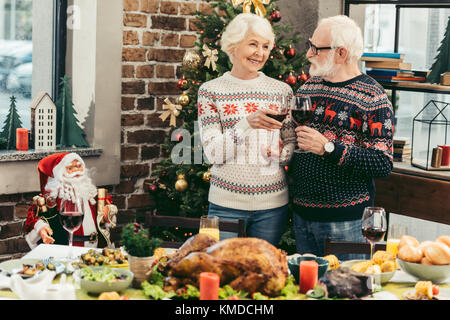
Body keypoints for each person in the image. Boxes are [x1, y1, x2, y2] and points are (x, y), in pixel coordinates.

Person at [290, 15, 394, 260]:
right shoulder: (308, 88)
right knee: (306, 294)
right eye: (309, 46)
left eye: (316, 49)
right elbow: (292, 138)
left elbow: (382, 163)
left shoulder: (373, 98)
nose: (308, 55)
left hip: (344, 224)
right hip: (302, 216)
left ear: (341, 53)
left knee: (347, 294)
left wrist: (328, 147)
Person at [197, 13, 296, 246]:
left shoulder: (281, 91)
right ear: (233, 45)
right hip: (225, 206)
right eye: (252, 44)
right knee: (221, 272)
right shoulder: (210, 91)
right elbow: (213, 154)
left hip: (273, 206)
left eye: (265, 46)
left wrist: (282, 154)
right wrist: (245, 124)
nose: (259, 53)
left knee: (262, 277)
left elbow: (292, 143)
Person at [24, 152, 118, 249]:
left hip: (95, 249)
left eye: (79, 166)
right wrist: (41, 228)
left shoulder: (91, 194)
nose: (76, 170)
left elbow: (107, 218)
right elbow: (33, 217)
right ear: (60, 173)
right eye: (70, 168)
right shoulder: (52, 197)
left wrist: (109, 214)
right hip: (65, 248)